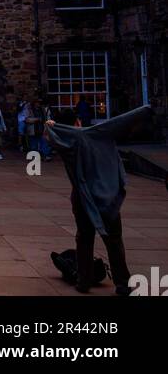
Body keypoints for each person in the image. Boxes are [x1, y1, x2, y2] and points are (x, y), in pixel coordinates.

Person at [46, 105, 151, 295]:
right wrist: (148, 108)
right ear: (78, 121)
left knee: (84, 239)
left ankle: (84, 280)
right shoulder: (99, 135)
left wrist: (51, 126)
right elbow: (126, 120)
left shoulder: (68, 142)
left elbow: (51, 138)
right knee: (114, 240)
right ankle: (122, 282)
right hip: (106, 195)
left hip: (82, 197)